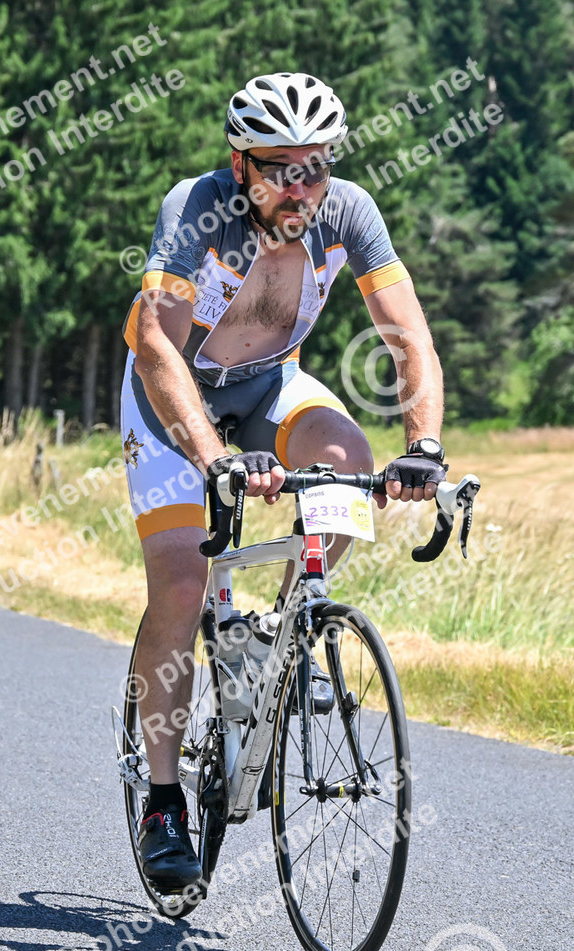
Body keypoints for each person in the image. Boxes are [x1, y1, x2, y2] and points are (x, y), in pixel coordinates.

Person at [123, 72, 450, 890]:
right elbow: (155, 344)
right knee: (181, 583)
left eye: (316, 168)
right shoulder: (199, 210)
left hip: (268, 383)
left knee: (349, 462)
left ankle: (273, 630)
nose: (301, 188)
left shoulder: (349, 213)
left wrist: (424, 444)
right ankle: (162, 800)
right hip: (174, 397)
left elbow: (408, 335)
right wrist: (213, 457)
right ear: (242, 165)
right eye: (281, 171)